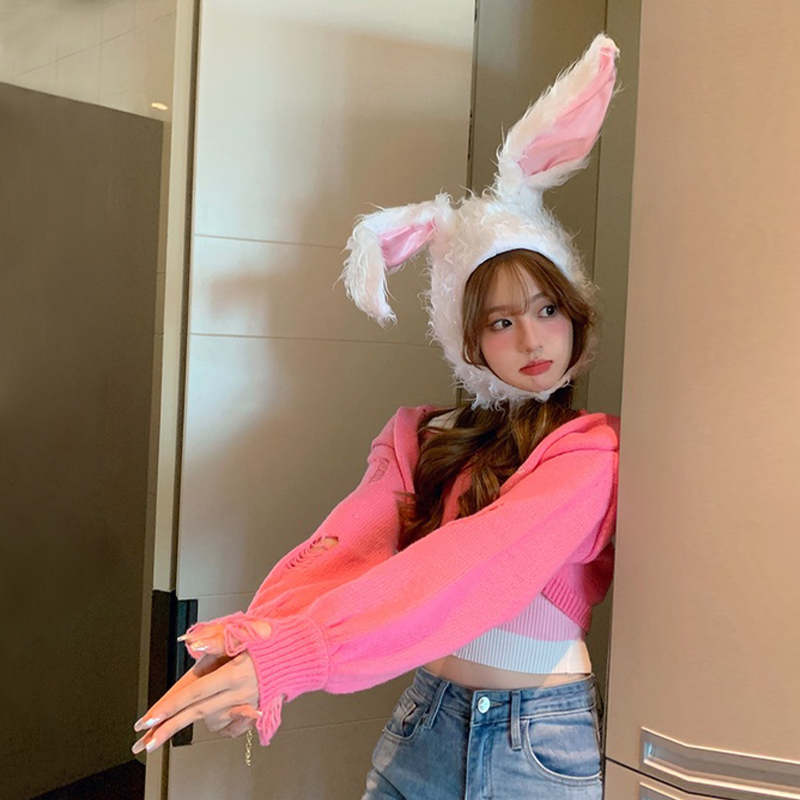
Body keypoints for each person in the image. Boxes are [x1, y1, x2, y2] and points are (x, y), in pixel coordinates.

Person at [133, 33, 621, 799]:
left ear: (575, 314)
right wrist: (256, 644)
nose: (531, 339)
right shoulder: (421, 436)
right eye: (500, 321)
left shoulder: (588, 451)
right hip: (427, 718)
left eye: (547, 309)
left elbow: (471, 567)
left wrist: (294, 657)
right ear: (468, 341)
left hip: (537, 742)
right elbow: (346, 548)